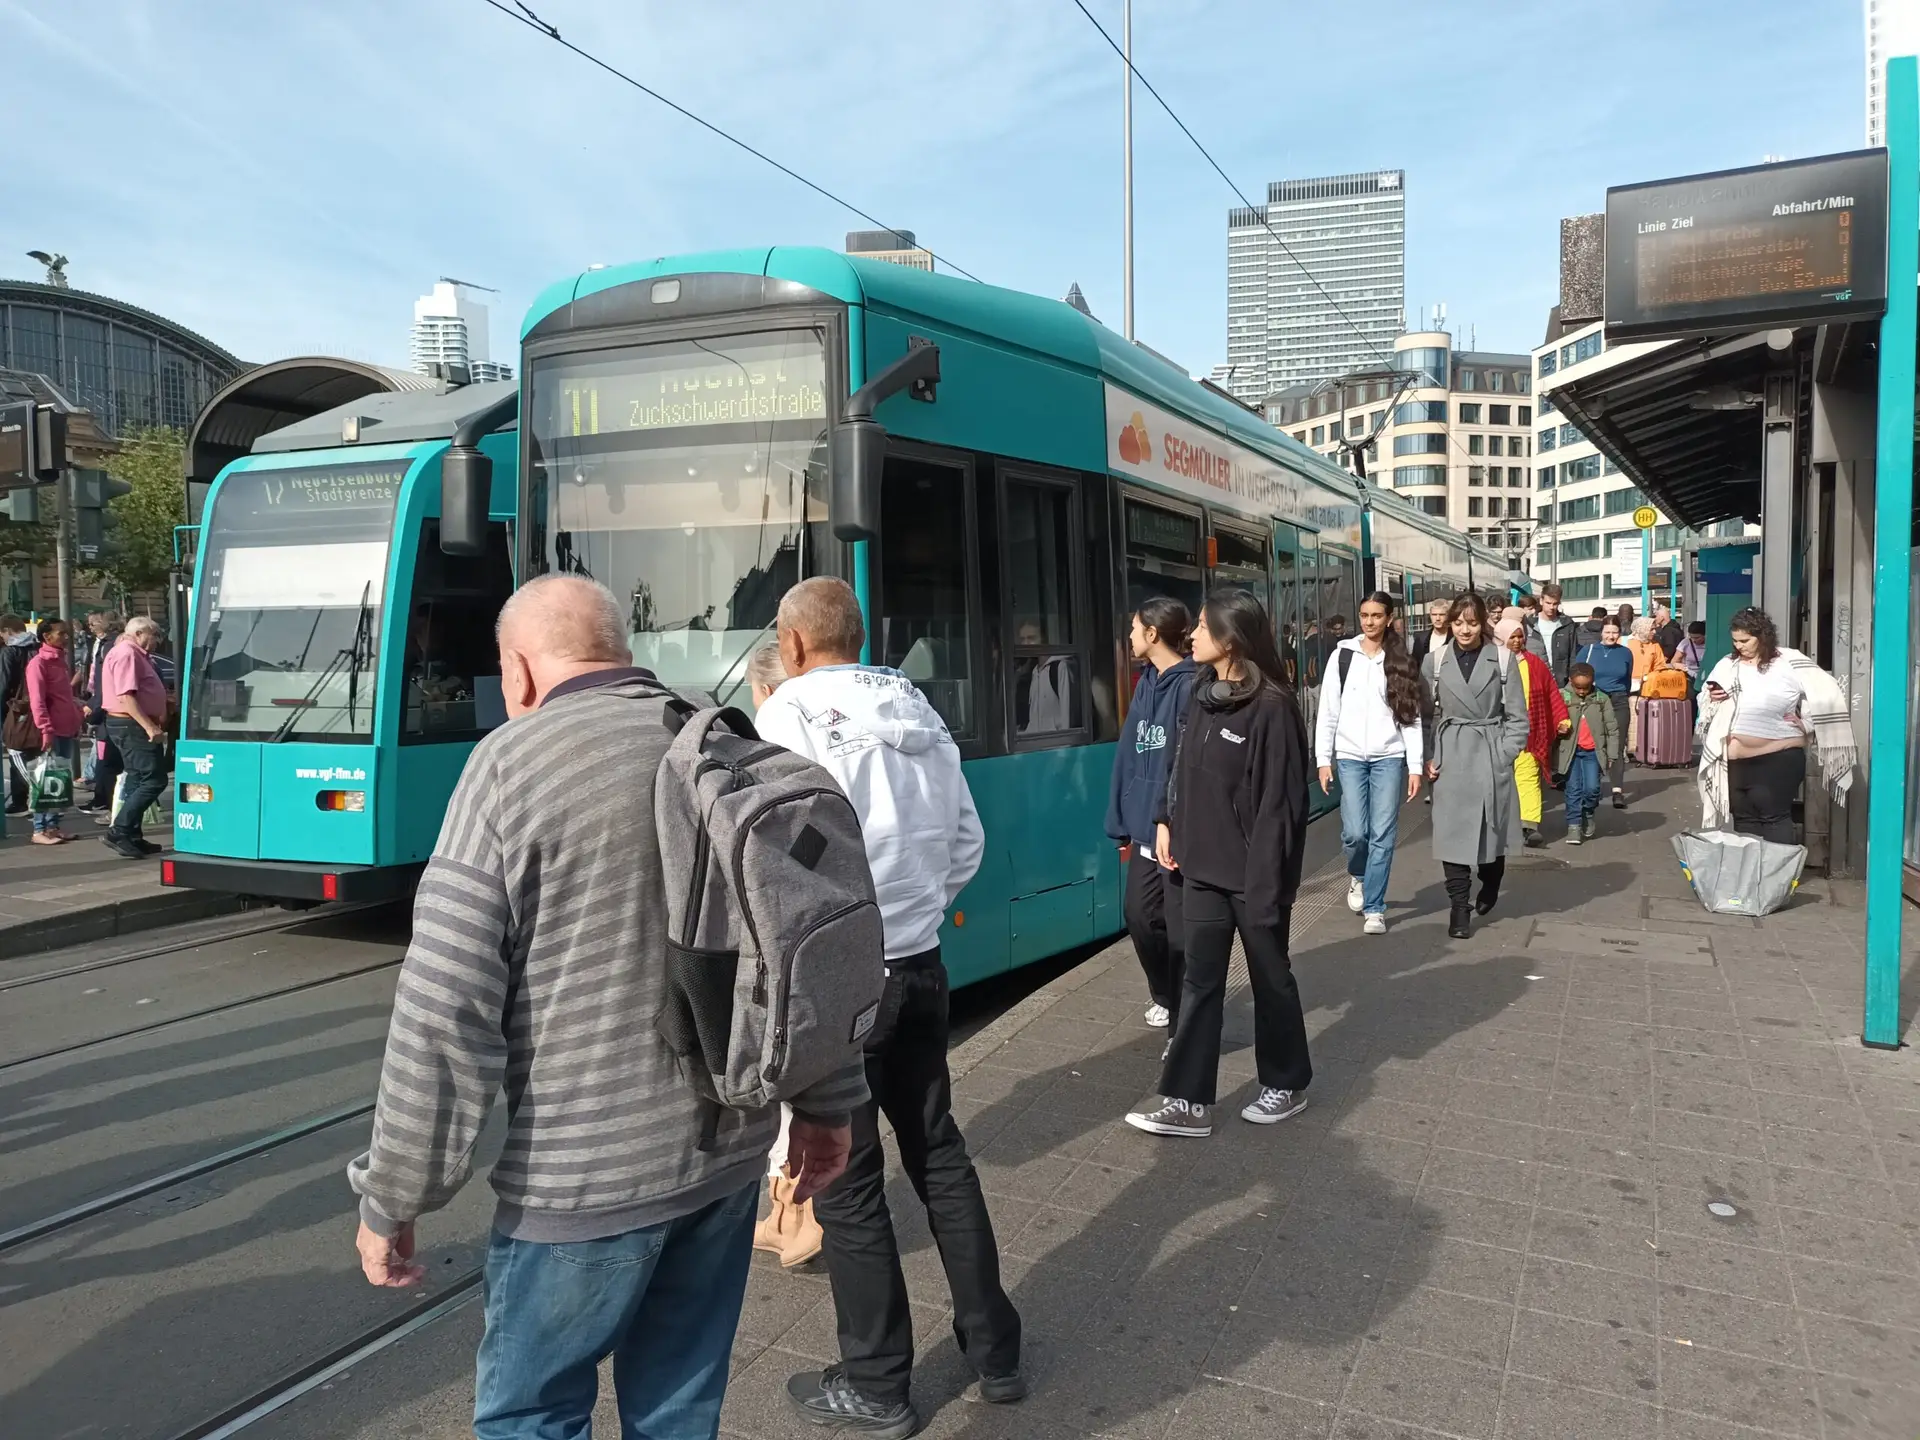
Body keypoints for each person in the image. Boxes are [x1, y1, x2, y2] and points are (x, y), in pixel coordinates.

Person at [348, 576, 863, 1440]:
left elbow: (443, 1010)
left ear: (517, 670)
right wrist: (824, 1105)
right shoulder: (722, 740)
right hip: (724, 1160)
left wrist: (396, 1192)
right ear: (621, 651)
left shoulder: (510, 766)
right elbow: (802, 942)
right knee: (677, 1409)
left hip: (580, 1184)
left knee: (534, 1416)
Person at [752, 578, 1018, 1437]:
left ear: (792, 645)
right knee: (939, 1152)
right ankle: (996, 1352)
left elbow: (770, 858)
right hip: (921, 964)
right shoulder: (918, 706)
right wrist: (914, 915)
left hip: (841, 985)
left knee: (849, 1182)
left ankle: (876, 1382)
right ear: (858, 635)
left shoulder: (787, 715)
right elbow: (967, 841)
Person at [1126, 588, 1312, 1139]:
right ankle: (1187, 1102)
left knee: (1270, 979)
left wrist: (1267, 889)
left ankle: (1287, 1082)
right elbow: (1178, 767)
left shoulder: (1273, 707)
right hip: (1199, 868)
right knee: (1200, 982)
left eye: (1203, 627)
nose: (1193, 634)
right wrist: (1165, 819)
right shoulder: (1200, 691)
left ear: (1231, 639)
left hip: (1253, 877)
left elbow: (1280, 808)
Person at [741, 640, 826, 1272]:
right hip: (843, 935)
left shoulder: (776, 734)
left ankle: (800, 1217)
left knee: (793, 1082)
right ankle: (784, 1216)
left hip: (798, 939)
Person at [1105, 598, 1198, 1027]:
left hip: (1173, 826)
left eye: (1133, 627)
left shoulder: (1191, 685)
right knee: (1139, 917)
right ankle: (1166, 993)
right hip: (1142, 825)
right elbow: (1129, 750)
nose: (1128, 636)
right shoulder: (1146, 681)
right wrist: (1119, 819)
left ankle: (1183, 1016)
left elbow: (1184, 760)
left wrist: (1171, 819)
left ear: (1152, 634)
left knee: (1177, 928)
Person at [1697, 607, 1856, 845]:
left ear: (1762, 636)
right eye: (1735, 641)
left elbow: (1828, 691)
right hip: (1733, 762)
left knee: (1773, 819)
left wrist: (1807, 723)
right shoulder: (1728, 664)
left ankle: (1777, 877)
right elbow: (1705, 697)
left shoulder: (1789, 661)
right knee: (1743, 820)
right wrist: (1712, 697)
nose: (1739, 646)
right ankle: (1751, 875)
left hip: (1776, 760)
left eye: (1745, 640)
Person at [1315, 591, 1423, 934]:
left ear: (1389, 618)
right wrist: (1323, 758)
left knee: (1383, 833)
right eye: (1364, 615)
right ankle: (1358, 875)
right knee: (1355, 832)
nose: (1369, 622)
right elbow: (1328, 711)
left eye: (1377, 615)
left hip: (1389, 758)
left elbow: (1411, 717)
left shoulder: (1401, 660)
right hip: (1348, 757)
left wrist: (1415, 765)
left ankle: (1375, 907)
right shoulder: (1343, 655)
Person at [1422, 593, 1528, 939]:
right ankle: (1458, 907)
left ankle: (1492, 879)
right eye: (1457, 622)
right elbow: (1425, 717)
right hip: (1449, 753)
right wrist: (1427, 757)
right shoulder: (1434, 661)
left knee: (1490, 834)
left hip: (1489, 750)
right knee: (1452, 834)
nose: (1464, 630)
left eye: (1471, 622)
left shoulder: (1502, 658)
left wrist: (1504, 752)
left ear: (1483, 622)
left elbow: (1517, 716)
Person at [99, 617, 170, 859]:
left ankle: (133, 836)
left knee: (140, 778)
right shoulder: (127, 653)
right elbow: (126, 697)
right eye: (155, 635)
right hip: (130, 724)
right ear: (139, 633)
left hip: (130, 723)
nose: (158, 641)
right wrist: (149, 727)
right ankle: (119, 830)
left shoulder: (136, 654)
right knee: (154, 779)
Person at [1497, 616, 1569, 848]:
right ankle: (1500, 826)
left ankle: (1529, 826)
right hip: (1497, 735)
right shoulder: (1488, 663)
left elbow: (1551, 693)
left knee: (1527, 779)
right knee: (1500, 781)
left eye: (1520, 637)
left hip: (1529, 733)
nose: (1517, 641)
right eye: (1512, 637)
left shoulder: (1535, 664)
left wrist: (1562, 717)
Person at [24, 619, 83, 846]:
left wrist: (75, 719)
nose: (66, 638)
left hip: (66, 728)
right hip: (52, 730)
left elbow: (64, 697)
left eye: (67, 634)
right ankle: (40, 828)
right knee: (45, 778)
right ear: (46, 637)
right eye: (61, 634)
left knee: (60, 779)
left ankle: (53, 826)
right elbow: (38, 701)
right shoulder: (39, 663)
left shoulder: (59, 661)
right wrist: (45, 729)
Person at [1556, 662, 1619, 844]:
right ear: (1570, 681)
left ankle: (1588, 811)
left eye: (1586, 688)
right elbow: (1551, 721)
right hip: (1570, 752)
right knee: (1573, 789)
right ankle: (1573, 826)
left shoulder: (1601, 699)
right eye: (1578, 688)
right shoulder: (1562, 697)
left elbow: (1612, 729)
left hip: (1593, 752)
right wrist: (1557, 729)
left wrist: (1612, 754)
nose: (1582, 692)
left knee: (1592, 789)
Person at [1575, 618, 1635, 811]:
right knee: (1595, 742)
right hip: (1595, 699)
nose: (1611, 636)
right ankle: (1594, 785)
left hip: (1618, 700)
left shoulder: (1626, 653)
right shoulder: (1588, 651)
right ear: (1601, 632)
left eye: (1615, 632)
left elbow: (1626, 679)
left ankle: (1617, 790)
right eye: (1607, 632)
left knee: (1617, 744)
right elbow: (1577, 675)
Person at [1, 614, 39, 815]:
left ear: (7, 631)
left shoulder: (10, 652)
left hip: (16, 709)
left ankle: (19, 801)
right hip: (38, 707)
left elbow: (4, 684)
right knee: (36, 754)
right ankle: (40, 799)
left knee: (17, 754)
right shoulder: (38, 647)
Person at [1625, 616, 1665, 758]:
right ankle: (1631, 749)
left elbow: (1660, 666)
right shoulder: (1626, 643)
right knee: (1631, 719)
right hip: (1628, 688)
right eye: (1651, 629)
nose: (1654, 632)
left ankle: (1645, 747)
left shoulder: (1655, 646)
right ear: (1642, 629)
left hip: (1649, 688)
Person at [1532, 583, 1577, 685]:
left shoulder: (1567, 624)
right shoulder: (1530, 623)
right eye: (1548, 603)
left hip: (1560, 680)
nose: (1551, 607)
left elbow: (1573, 654)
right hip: (1535, 678)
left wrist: (1571, 677)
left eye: (1555, 604)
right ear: (1541, 601)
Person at [1675, 620, 1708, 692]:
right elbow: (1674, 661)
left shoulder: (1710, 642)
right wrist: (1679, 666)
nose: (1693, 640)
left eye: (1697, 637)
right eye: (1691, 637)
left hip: (1706, 677)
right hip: (1690, 677)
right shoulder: (1685, 643)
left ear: (1705, 635)